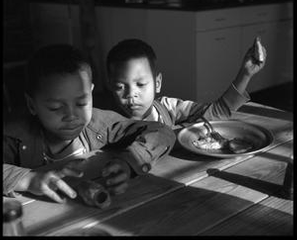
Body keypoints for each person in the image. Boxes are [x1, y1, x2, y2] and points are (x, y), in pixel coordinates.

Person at [3, 44, 175, 204]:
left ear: (91, 93)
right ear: (32, 105)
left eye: (81, 103)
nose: (71, 116)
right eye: (55, 108)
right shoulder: (15, 136)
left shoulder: (100, 123)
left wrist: (130, 162)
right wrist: (28, 179)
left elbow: (161, 132)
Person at [106, 38, 267, 127]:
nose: (131, 94)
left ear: (157, 83)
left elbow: (215, 114)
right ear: (110, 86)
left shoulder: (167, 109)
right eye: (119, 87)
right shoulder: (105, 123)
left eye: (140, 84)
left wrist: (245, 74)